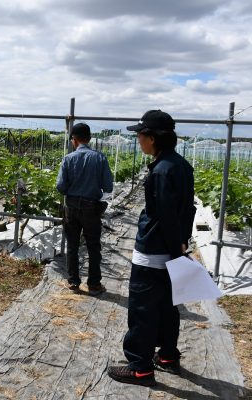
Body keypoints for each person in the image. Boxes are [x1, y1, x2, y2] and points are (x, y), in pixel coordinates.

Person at [108, 110, 196, 387]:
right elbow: (185, 210)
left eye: (140, 135)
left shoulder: (160, 170)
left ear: (153, 139)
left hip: (154, 251)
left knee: (143, 309)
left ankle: (140, 367)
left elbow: (164, 215)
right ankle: (168, 355)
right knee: (168, 306)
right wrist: (181, 245)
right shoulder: (181, 165)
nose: (138, 140)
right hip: (171, 248)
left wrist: (173, 248)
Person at [56, 123, 113, 296]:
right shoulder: (100, 158)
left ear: (74, 140)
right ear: (89, 139)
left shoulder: (68, 159)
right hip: (91, 207)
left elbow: (60, 186)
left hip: (71, 206)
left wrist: (72, 190)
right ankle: (94, 284)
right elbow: (108, 186)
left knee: (72, 245)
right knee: (93, 246)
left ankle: (74, 282)